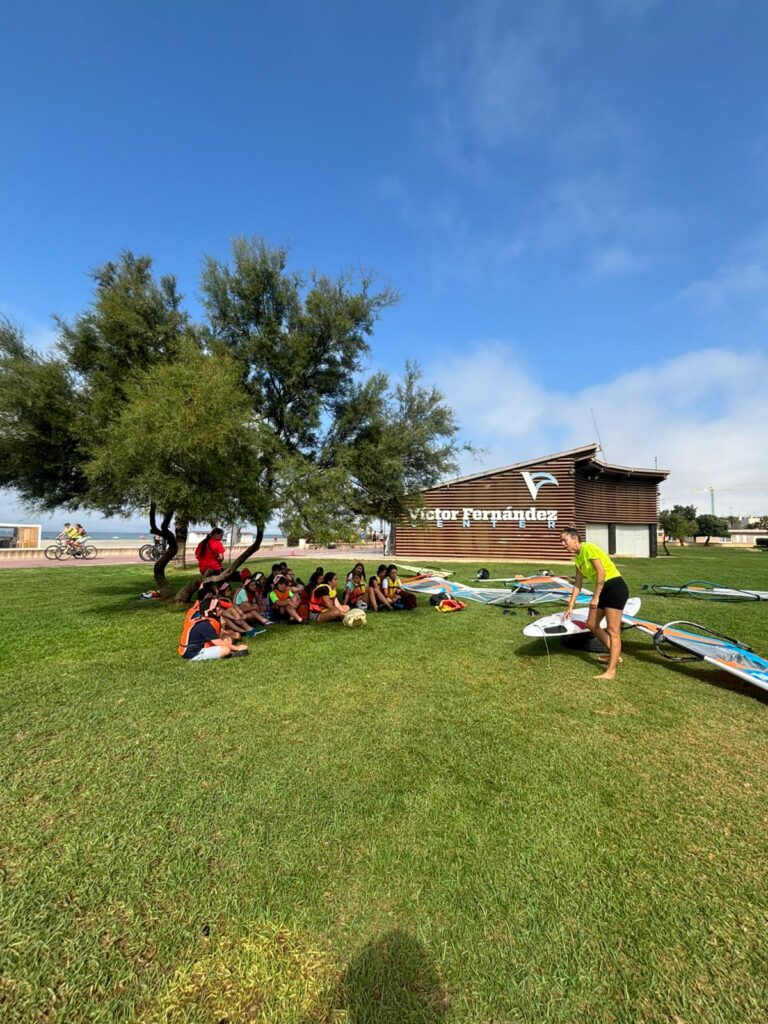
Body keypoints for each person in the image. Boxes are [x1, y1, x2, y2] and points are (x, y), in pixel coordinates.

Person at [560, 527, 629, 681]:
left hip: (614, 587)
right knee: (591, 624)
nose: (563, 544)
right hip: (604, 589)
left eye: (564, 540)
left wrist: (595, 597)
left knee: (613, 630)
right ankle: (615, 655)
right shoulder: (577, 559)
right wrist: (570, 606)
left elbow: (601, 573)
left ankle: (611, 671)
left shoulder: (588, 548)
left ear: (574, 539)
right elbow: (577, 584)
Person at [178, 592, 248, 660]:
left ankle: (227, 651)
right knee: (226, 649)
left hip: (203, 644)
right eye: (219, 610)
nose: (221, 611)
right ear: (212, 612)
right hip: (193, 652)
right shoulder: (204, 624)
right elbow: (218, 642)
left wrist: (222, 627)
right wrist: (237, 648)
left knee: (227, 638)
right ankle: (228, 653)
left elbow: (217, 636)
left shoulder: (207, 619)